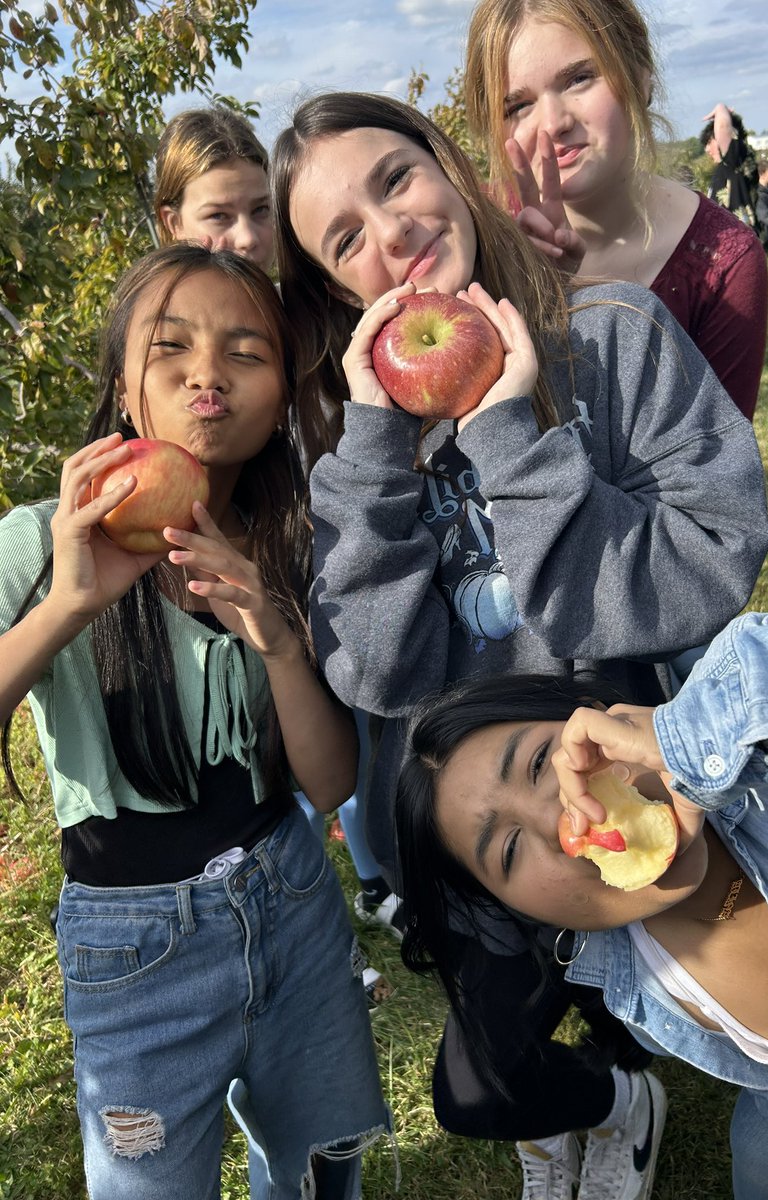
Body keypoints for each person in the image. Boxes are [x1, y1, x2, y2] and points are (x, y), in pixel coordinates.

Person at [270, 90, 768, 1199]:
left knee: (710, 1026)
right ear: (335, 293)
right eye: (344, 237)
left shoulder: (610, 341)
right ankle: (603, 1103)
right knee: (481, 1087)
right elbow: (376, 669)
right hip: (493, 843)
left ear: (450, 171)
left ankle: (635, 1069)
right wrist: (372, 442)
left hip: (646, 792)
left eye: (395, 180)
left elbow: (718, 556)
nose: (389, 232)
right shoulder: (360, 451)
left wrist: (508, 430)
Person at [0, 244, 390, 1200]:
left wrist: (277, 641)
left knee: (316, 1161)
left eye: (246, 353)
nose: (207, 374)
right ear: (127, 390)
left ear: (280, 402)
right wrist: (66, 609)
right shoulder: (39, 543)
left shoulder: (294, 546)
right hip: (132, 951)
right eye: (171, 348)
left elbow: (333, 785)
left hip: (291, 901)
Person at [396, 508, 768, 1196]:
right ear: (514, 910)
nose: (561, 822)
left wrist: (699, 737)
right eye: (509, 850)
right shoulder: (652, 996)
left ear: (600, 719)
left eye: (545, 761)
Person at [154, 105, 402, 960]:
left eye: (260, 211)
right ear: (171, 221)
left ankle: (375, 877)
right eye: (219, 215)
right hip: (240, 554)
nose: (245, 235)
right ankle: (293, 905)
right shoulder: (169, 335)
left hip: (323, 549)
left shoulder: (306, 314)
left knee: (353, 717)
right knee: (271, 726)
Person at [464, 0, 768, 422]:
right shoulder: (476, 233)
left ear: (640, 76)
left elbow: (714, 474)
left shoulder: (724, 264)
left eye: (579, 78)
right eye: (518, 106)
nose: (553, 123)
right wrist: (529, 289)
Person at [153, 105, 275, 271]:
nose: (248, 239)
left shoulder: (309, 295)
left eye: (261, 209)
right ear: (175, 223)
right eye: (218, 216)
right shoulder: (152, 297)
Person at [700, 104, 759, 231]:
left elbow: (723, 127)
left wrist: (720, 108)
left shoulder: (734, 161)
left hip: (741, 241)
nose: (707, 149)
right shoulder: (724, 170)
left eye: (709, 142)